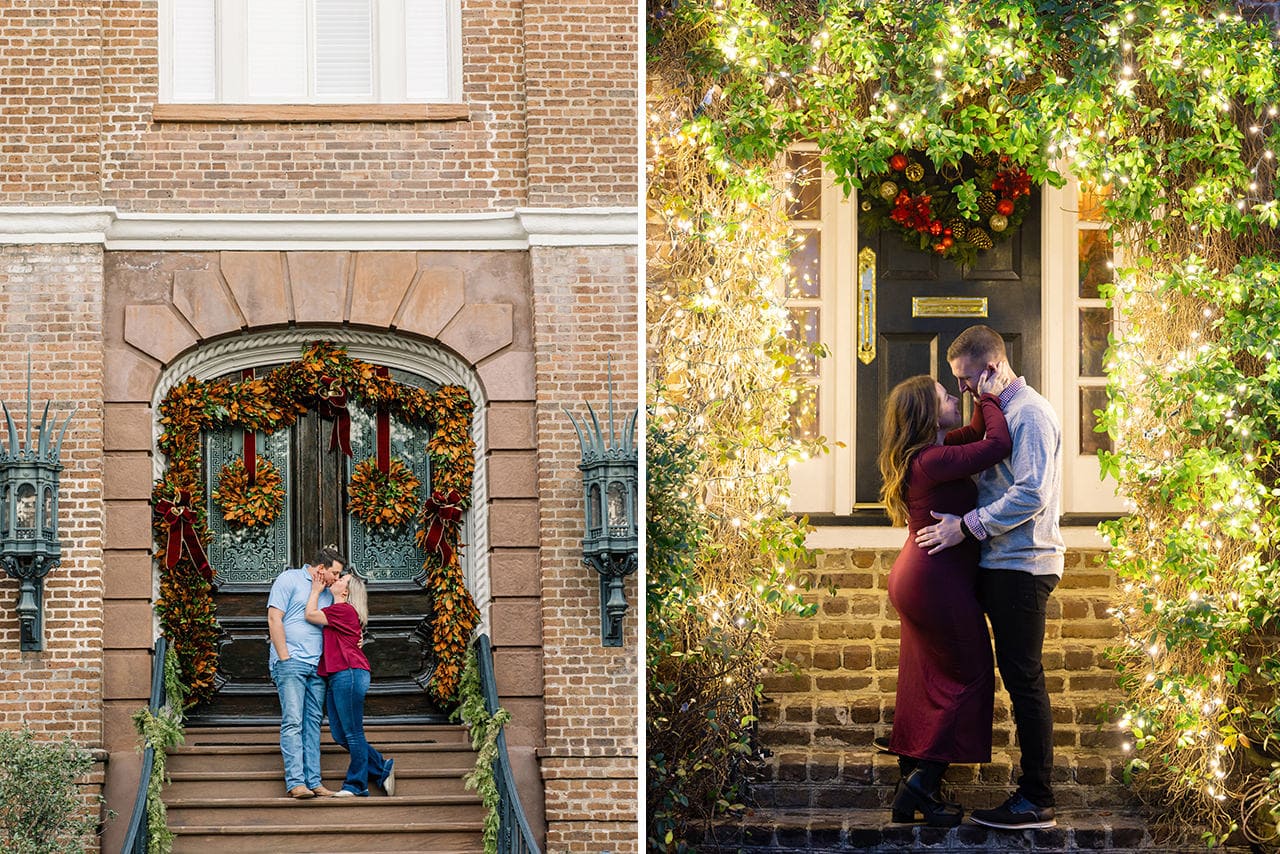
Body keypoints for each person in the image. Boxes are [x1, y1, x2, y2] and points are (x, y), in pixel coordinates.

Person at [915, 325, 1065, 830]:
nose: (962, 390)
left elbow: (1030, 495)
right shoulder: (998, 412)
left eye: (965, 379)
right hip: (998, 564)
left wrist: (967, 528)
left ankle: (1036, 798)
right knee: (1001, 674)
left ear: (993, 368)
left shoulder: (1031, 414)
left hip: (1022, 566)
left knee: (1024, 681)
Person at [880, 371, 1011, 827]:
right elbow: (996, 445)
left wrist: (978, 398)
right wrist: (993, 394)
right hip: (934, 583)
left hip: (921, 578)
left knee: (927, 679)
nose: (954, 397)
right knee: (971, 676)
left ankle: (912, 785)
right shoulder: (932, 460)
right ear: (927, 414)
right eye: (944, 395)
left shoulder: (930, 453)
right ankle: (924, 782)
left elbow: (976, 433)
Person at [305, 568, 396, 798]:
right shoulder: (341, 610)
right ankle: (380, 767)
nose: (336, 579)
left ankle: (356, 785)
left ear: (346, 591)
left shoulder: (343, 610)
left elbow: (310, 615)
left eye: (341, 579)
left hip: (350, 673)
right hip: (338, 674)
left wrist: (315, 590)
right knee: (339, 733)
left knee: (353, 732)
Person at [267, 546, 344, 799]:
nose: (337, 577)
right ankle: (296, 782)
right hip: (292, 663)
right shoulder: (288, 579)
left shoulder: (329, 592)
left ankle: (315, 782)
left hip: (318, 667)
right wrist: (285, 658)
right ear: (321, 569)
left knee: (312, 724)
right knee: (293, 721)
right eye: (335, 572)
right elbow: (274, 619)